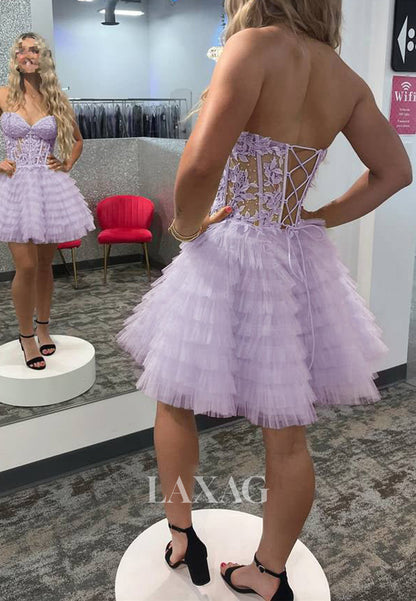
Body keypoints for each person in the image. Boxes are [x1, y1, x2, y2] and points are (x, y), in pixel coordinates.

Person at [116, 0, 412, 599]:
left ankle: (182, 537)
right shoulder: (344, 76)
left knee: (174, 399)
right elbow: (395, 171)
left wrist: (187, 229)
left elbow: (201, 165)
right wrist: (320, 217)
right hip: (294, 255)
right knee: (287, 433)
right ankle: (270, 574)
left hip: (228, 249)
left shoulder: (251, 47)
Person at [0, 33, 95, 370]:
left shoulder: (57, 99)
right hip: (14, 189)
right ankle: (26, 336)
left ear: (44, 57)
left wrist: (66, 163)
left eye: (34, 50)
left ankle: (43, 327)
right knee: (25, 266)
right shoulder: (4, 95)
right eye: (21, 50)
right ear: (15, 58)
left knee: (43, 265)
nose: (27, 55)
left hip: (48, 188)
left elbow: (79, 140)